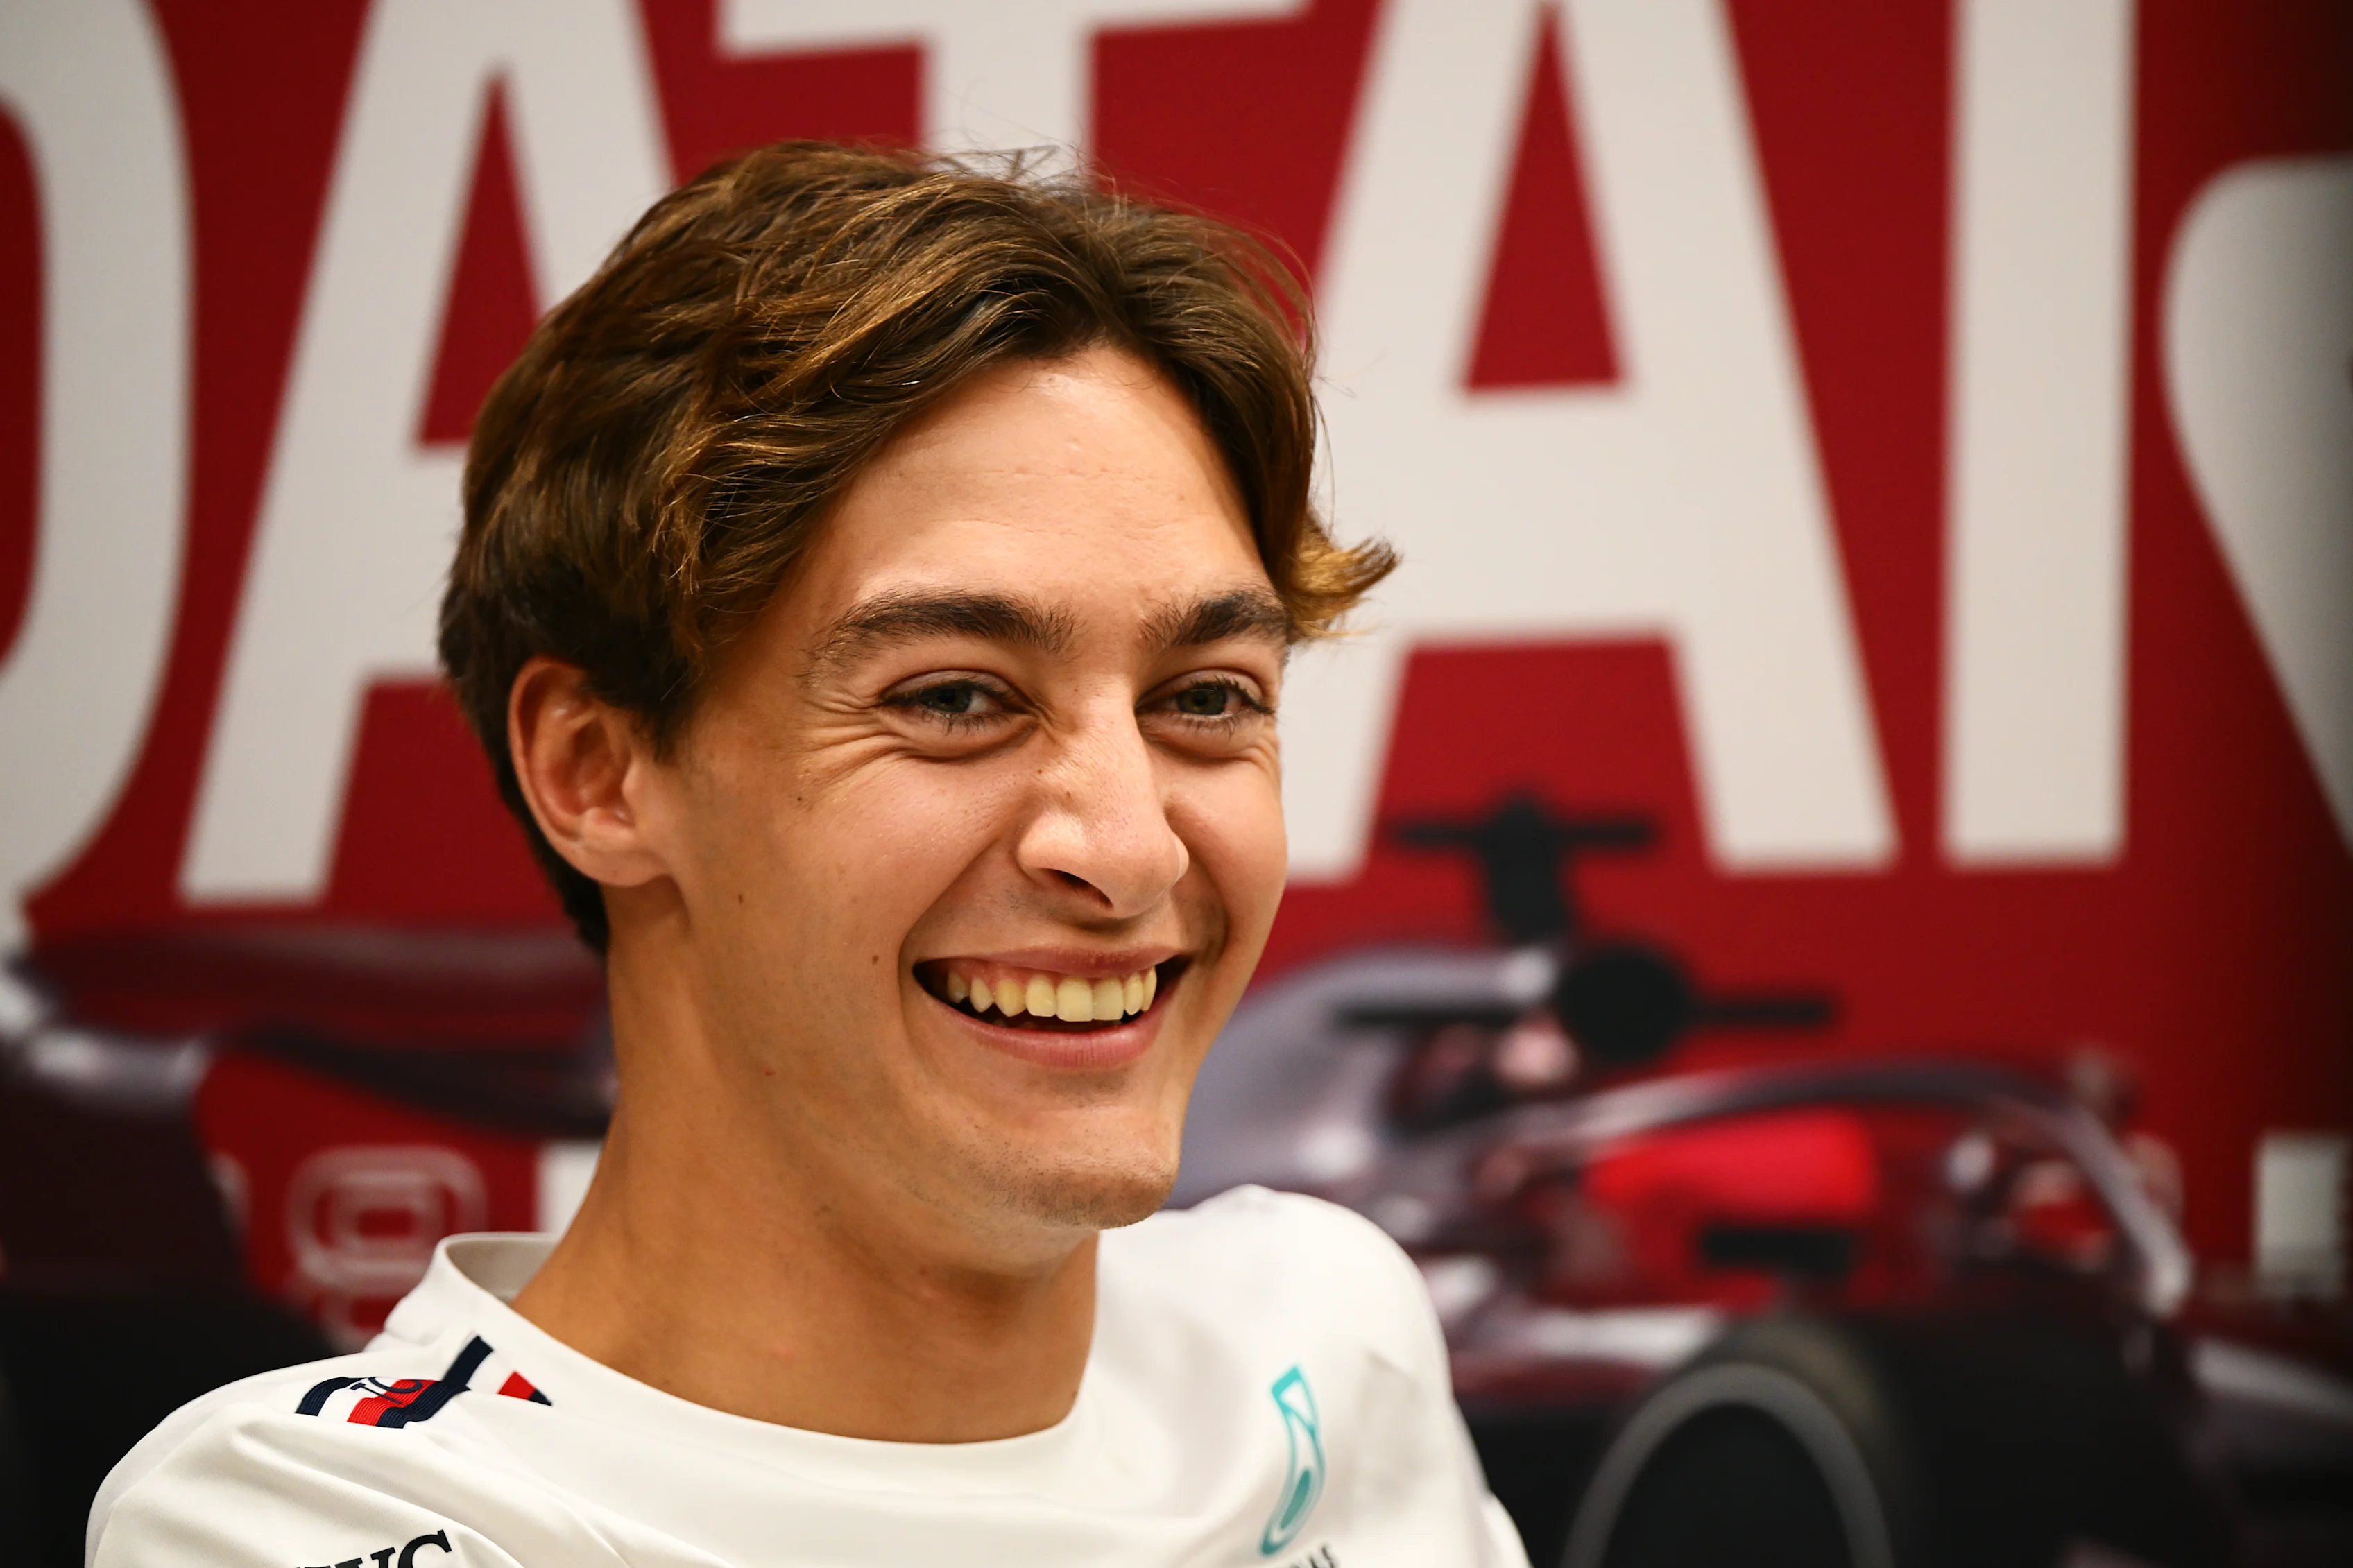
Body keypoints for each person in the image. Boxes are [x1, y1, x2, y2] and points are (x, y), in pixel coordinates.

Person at [87, 142, 1528, 1568]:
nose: (1131, 848)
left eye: (1206, 697)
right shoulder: (308, 1518)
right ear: (596, 771)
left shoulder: (1325, 1334)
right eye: (954, 697)